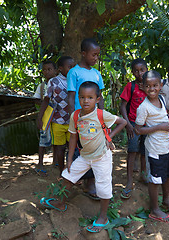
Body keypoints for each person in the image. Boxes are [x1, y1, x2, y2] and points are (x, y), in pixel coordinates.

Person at [40, 81, 127, 233]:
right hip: (85, 156)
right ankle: (60, 203)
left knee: (103, 186)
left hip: (102, 157)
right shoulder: (75, 115)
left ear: (97, 99)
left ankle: (103, 217)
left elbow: (123, 122)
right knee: (68, 175)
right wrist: (70, 159)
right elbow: (73, 137)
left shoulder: (101, 114)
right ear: (78, 98)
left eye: (90, 97)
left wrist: (109, 137)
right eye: (82, 97)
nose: (86, 101)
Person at [135, 70, 169, 224]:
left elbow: (167, 116)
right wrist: (159, 127)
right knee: (155, 179)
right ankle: (154, 209)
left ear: (161, 85)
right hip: (154, 149)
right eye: (148, 86)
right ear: (142, 87)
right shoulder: (143, 107)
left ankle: (166, 201)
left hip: (166, 146)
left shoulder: (162, 99)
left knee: (168, 175)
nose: (152, 89)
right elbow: (138, 129)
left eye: (155, 85)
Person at [67, 38, 105, 198]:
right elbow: (70, 96)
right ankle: (79, 180)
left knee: (94, 149)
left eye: (97, 55)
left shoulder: (96, 74)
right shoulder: (74, 72)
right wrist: (73, 118)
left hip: (94, 120)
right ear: (83, 54)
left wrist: (102, 117)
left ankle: (90, 184)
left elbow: (100, 97)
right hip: (80, 119)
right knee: (80, 150)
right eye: (93, 55)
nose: (96, 58)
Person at [37, 56, 75, 173]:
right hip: (57, 121)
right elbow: (47, 100)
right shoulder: (53, 82)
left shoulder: (75, 79)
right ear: (60, 69)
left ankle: (72, 170)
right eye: (70, 67)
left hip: (72, 121)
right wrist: (40, 117)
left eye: (73, 67)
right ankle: (61, 172)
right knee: (60, 147)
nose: (72, 69)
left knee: (72, 147)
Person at [119, 58, 148, 198]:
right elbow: (122, 106)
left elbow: (158, 101)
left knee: (144, 151)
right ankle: (129, 181)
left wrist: (147, 90)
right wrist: (127, 124)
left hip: (148, 125)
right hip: (133, 123)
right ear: (132, 72)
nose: (139, 73)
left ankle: (143, 175)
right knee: (132, 151)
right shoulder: (130, 86)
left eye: (142, 70)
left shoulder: (151, 86)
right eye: (136, 71)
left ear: (147, 70)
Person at [34, 60, 57, 175]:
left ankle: (56, 161)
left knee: (56, 139)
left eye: (49, 69)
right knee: (43, 139)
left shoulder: (59, 83)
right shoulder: (42, 86)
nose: (47, 72)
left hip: (58, 116)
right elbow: (36, 99)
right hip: (46, 116)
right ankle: (40, 163)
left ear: (55, 71)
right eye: (44, 70)